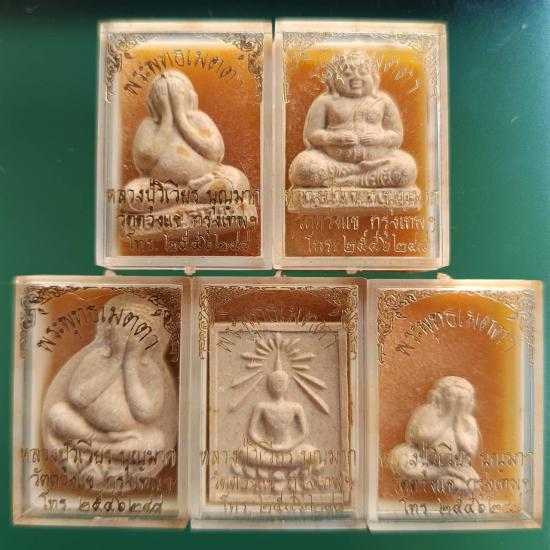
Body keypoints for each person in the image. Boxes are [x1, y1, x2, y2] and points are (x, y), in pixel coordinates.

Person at [289, 51, 417, 189]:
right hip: (333, 163)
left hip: (378, 162)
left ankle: (347, 182)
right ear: (333, 79)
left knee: (405, 169)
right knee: (305, 169)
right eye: (347, 74)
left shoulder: (383, 101)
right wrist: (336, 138)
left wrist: (379, 139)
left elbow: (396, 134)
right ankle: (357, 176)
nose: (356, 78)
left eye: (363, 73)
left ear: (374, 78)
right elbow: (312, 134)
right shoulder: (325, 102)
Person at [126, 70, 250, 210]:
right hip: (161, 187)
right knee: (130, 195)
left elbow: (215, 151)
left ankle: (181, 197)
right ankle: (187, 195)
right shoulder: (149, 125)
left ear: (191, 99)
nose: (170, 99)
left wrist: (181, 118)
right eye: (162, 95)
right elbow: (145, 159)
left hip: (206, 181)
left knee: (236, 182)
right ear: (151, 104)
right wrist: (167, 119)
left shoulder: (199, 118)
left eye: (177, 93)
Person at [389, 376, 480, 494]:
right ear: (439, 397)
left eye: (462, 398)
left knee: (472, 483)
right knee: (401, 461)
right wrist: (447, 418)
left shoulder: (468, 422)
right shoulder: (429, 412)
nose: (456, 401)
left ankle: (438, 476)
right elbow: (421, 438)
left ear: (469, 402)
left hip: (454, 464)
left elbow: (468, 450)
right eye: (451, 395)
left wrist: (457, 425)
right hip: (422, 457)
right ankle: (442, 473)